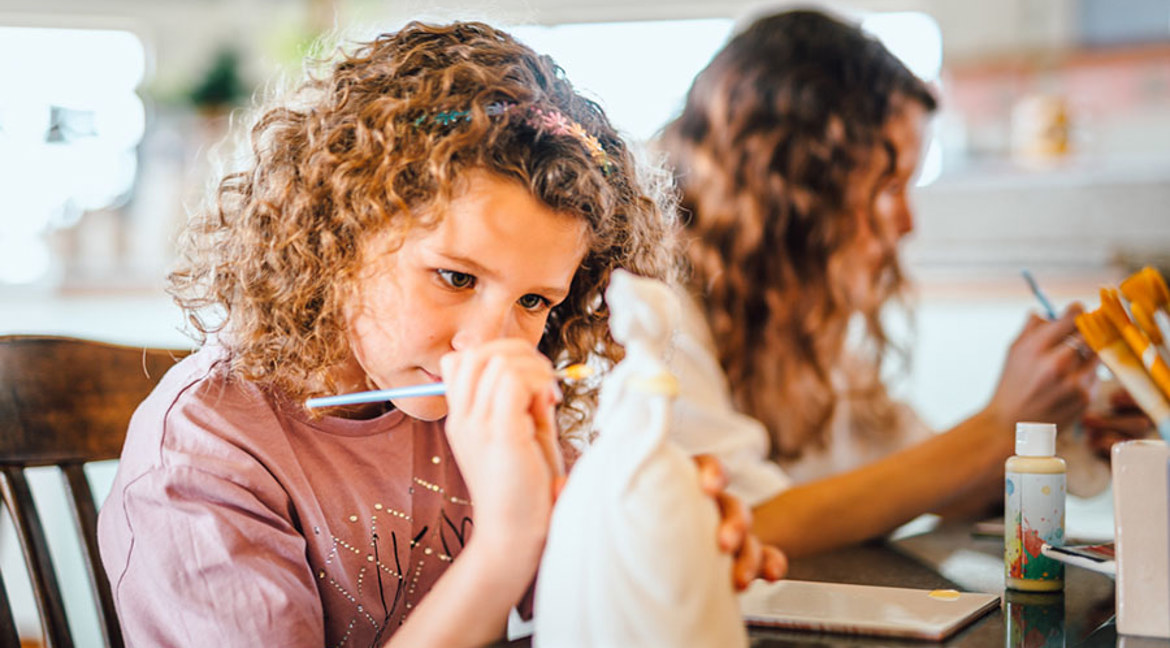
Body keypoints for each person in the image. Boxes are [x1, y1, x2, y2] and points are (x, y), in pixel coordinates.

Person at [98, 22, 783, 648]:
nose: (490, 343)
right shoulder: (203, 461)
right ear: (338, 234)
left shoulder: (477, 409)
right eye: (456, 279)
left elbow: (589, 592)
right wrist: (508, 543)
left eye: (535, 300)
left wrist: (651, 533)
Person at [657, 9, 1104, 558]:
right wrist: (995, 428)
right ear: (794, 186)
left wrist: (1056, 426)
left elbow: (929, 481)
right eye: (888, 187)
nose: (908, 223)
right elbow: (749, 523)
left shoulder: (800, 319)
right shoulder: (659, 307)